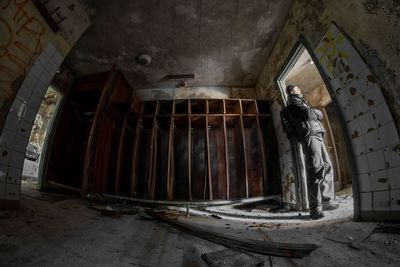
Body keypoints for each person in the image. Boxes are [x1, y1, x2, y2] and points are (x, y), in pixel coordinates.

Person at [285, 84, 338, 220]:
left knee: (327, 167)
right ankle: (315, 209)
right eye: (298, 88)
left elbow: (319, 115)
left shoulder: (303, 104)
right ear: (292, 92)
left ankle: (326, 202)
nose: (301, 89)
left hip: (317, 134)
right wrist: (312, 113)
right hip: (309, 136)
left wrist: (312, 113)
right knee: (316, 169)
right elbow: (308, 114)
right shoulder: (293, 106)